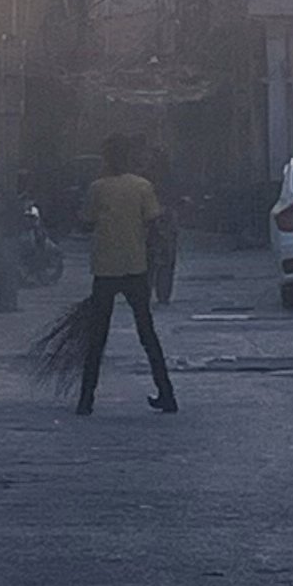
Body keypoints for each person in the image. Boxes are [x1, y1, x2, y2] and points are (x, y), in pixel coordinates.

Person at [77, 134, 178, 415]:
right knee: (147, 334)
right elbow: (153, 221)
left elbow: (86, 223)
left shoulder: (97, 188)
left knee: (97, 337)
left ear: (106, 159)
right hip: (136, 268)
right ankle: (167, 394)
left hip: (105, 269)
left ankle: (86, 400)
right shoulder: (142, 187)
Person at [143, 139, 181, 306]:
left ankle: (148, 291)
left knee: (149, 259)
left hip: (150, 220)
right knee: (165, 259)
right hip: (163, 220)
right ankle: (162, 294)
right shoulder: (171, 176)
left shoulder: (144, 175)